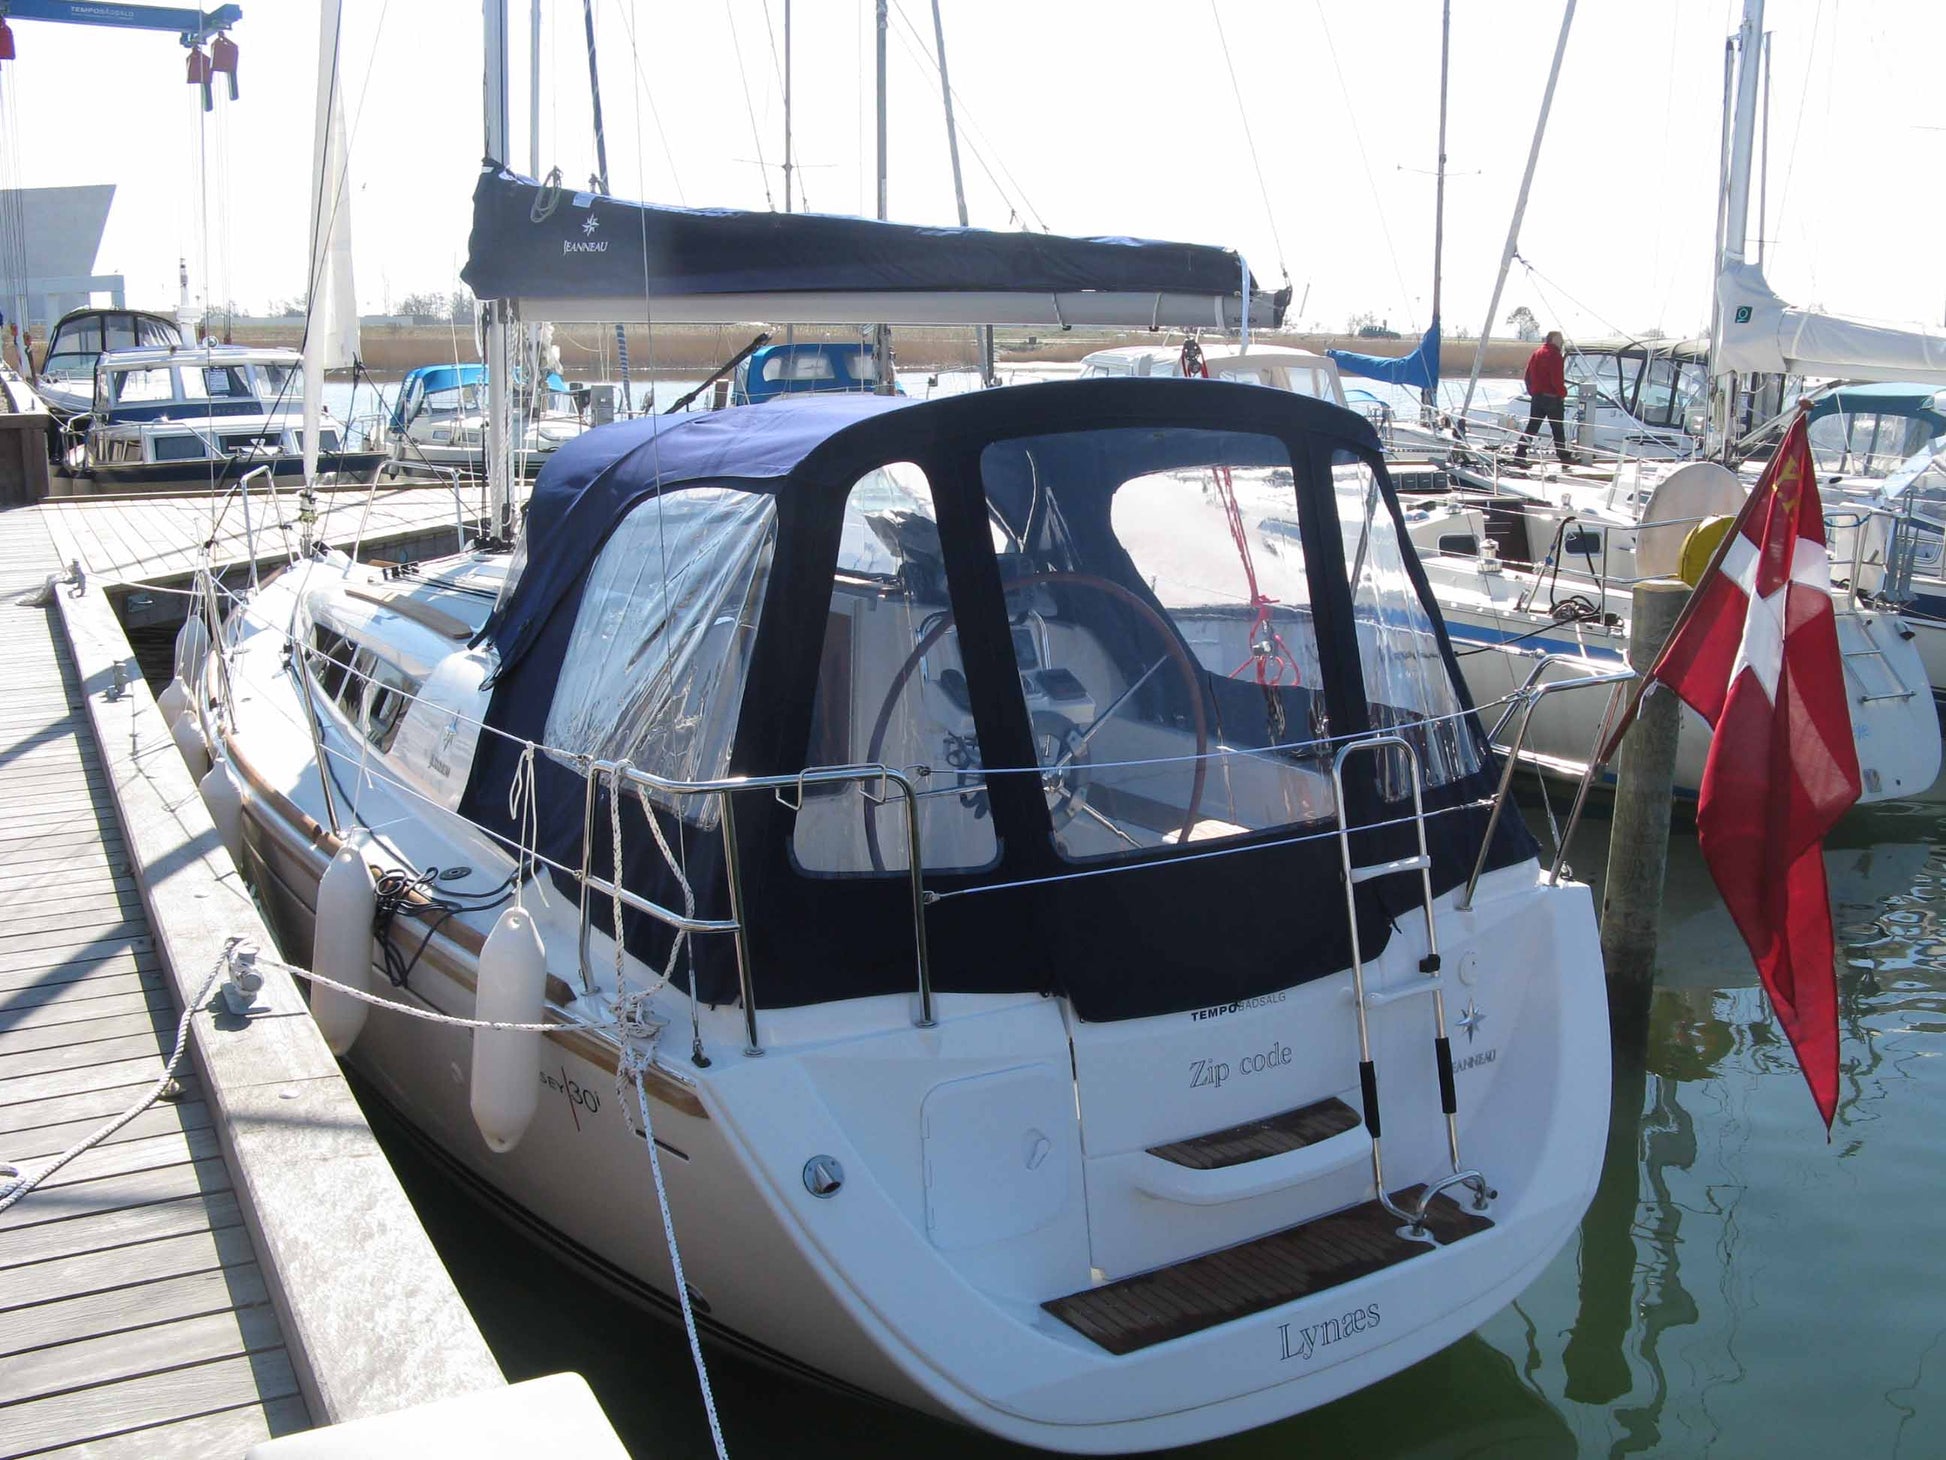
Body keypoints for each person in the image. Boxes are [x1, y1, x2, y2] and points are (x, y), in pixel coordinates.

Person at [1515, 329, 1572, 465]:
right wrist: (1563, 393)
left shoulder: (1537, 353)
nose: (1562, 341)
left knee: (1532, 427)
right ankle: (1563, 456)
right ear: (1553, 340)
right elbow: (1556, 379)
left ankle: (1520, 454)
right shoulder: (1554, 355)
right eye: (1559, 339)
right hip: (1552, 398)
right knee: (1557, 428)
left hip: (1537, 397)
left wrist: (1533, 392)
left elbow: (1527, 376)